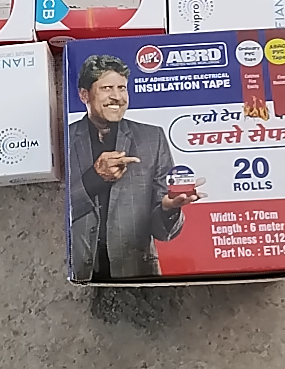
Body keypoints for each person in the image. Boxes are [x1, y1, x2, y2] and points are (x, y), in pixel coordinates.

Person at [68, 54, 205, 281]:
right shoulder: (65, 139)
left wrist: (169, 208)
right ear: (84, 95)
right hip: (81, 272)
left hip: (138, 273)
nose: (117, 96)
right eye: (107, 88)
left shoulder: (152, 138)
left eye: (122, 88)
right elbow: (56, 209)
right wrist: (94, 179)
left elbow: (163, 233)